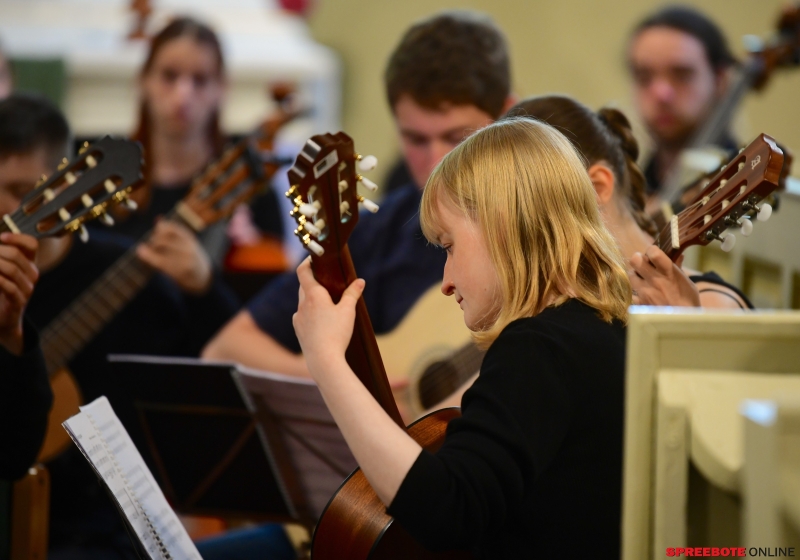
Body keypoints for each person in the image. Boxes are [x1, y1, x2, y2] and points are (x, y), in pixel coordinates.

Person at [293, 117, 631, 558]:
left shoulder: (538, 347)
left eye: (449, 246)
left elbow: (451, 511)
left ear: (502, 225)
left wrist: (327, 363)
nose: (446, 281)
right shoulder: (604, 329)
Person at [203, 10, 516, 385]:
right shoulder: (379, 231)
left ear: (506, 115)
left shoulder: (544, 226)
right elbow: (225, 348)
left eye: (455, 137)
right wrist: (343, 383)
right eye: (415, 140)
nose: (436, 163)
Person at [0, 93, 239, 559]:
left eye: (18, 191)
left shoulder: (122, 276)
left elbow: (219, 374)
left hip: (95, 530)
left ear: (69, 191)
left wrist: (204, 287)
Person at [508, 95, 752, 310]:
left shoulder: (714, 306)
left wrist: (682, 319)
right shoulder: (555, 306)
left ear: (596, 188)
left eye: (523, 210)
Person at [627, 5, 737, 209]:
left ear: (720, 80)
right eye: (644, 77)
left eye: (681, 75)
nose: (661, 93)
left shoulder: (751, 187)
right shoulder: (625, 197)